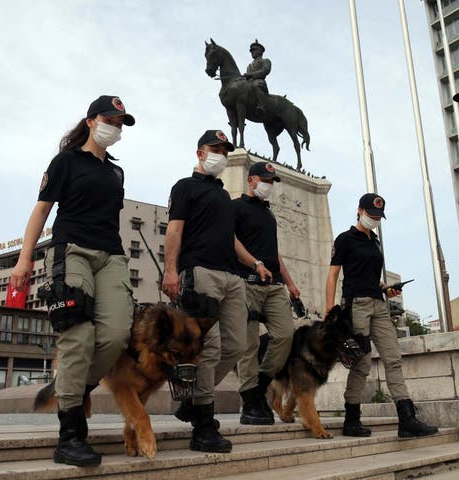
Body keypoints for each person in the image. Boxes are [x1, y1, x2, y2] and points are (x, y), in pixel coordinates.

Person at [10, 95, 136, 467]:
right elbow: (42, 209)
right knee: (77, 336)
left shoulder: (116, 172)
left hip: (110, 256)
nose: (115, 126)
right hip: (71, 250)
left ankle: (73, 389)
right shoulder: (65, 161)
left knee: (117, 335)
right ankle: (70, 433)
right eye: (111, 119)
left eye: (121, 122)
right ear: (92, 120)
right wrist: (24, 258)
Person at [162, 130, 272, 453]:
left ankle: (195, 399)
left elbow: (231, 240)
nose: (221, 155)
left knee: (236, 346)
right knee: (207, 348)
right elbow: (174, 230)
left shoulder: (223, 195)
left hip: (232, 278)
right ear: (199, 153)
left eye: (225, 150)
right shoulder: (184, 187)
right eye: (215, 149)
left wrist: (255, 264)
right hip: (200, 274)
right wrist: (171, 270)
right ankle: (203, 425)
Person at [325, 193, 438, 438]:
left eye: (378, 217)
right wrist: (330, 312)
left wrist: (386, 288)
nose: (374, 219)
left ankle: (407, 419)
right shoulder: (345, 239)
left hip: (378, 304)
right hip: (357, 305)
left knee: (393, 358)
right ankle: (351, 418)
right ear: (359, 210)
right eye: (371, 215)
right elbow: (333, 275)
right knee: (362, 362)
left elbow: (369, 277)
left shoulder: (374, 241)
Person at [234, 161, 300, 425]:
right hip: (247, 282)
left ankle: (260, 385)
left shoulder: (269, 215)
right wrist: (255, 263)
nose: (268, 186)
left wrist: (291, 283)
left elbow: (274, 253)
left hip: (274, 286)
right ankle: (250, 401)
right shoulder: (235, 207)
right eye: (265, 180)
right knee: (248, 345)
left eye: (271, 181)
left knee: (285, 335)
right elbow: (231, 241)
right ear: (251, 181)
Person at [245, 39, 271, 114]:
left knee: (256, 85)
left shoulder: (265, 61)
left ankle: (262, 105)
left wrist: (251, 75)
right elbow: (247, 77)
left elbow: (265, 70)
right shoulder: (249, 66)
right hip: (248, 83)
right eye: (251, 51)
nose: (252, 52)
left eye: (254, 50)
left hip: (259, 82)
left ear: (260, 51)